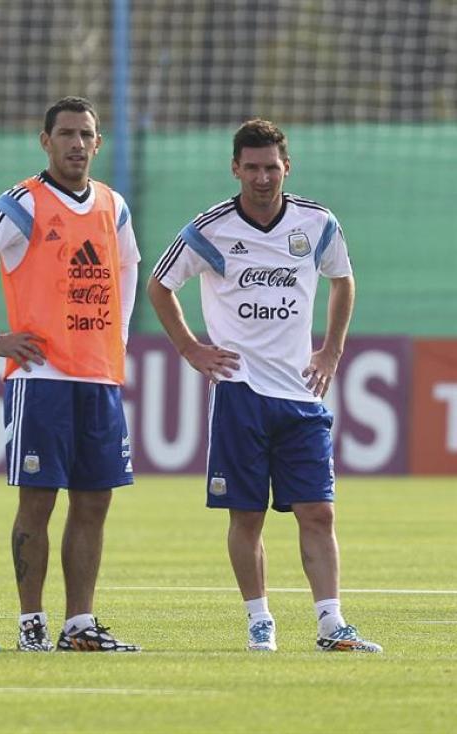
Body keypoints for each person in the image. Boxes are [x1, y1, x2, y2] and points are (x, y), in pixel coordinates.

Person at [147, 118, 382, 653]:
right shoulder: (210, 230)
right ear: (235, 169)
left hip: (301, 393)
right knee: (247, 515)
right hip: (240, 392)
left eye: (270, 167)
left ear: (286, 168)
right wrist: (189, 347)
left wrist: (331, 350)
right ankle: (259, 620)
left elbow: (343, 279)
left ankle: (331, 623)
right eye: (250, 167)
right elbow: (160, 285)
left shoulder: (316, 223)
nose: (261, 177)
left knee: (318, 511)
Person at [0, 96, 140, 652]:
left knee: (94, 500)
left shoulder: (113, 204)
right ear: (45, 141)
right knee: (39, 500)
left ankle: (79, 625)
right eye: (65, 134)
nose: (76, 144)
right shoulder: (23, 203)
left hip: (99, 375)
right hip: (42, 379)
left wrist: (121, 334)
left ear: (98, 142)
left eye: (86, 134)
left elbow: (130, 264)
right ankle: (31, 624)